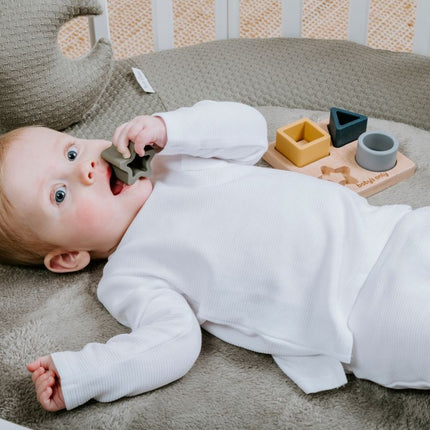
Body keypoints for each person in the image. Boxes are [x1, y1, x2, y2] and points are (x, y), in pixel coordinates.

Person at [1, 101, 429, 412]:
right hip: (362, 316)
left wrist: (169, 127)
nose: (85, 169)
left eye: (72, 151)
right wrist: (82, 374)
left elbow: (249, 131)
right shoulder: (130, 275)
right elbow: (170, 343)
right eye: (60, 194)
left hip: (391, 229)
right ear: (69, 257)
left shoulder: (175, 157)